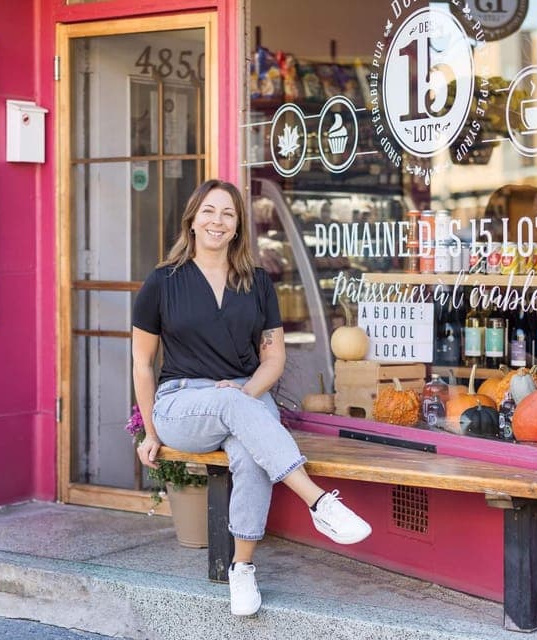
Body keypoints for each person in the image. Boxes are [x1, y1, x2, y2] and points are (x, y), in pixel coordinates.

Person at [131, 179, 372, 618]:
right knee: (234, 408)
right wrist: (150, 431)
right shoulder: (162, 282)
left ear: (239, 226)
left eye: (228, 213)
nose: (217, 221)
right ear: (192, 219)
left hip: (247, 393)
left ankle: (241, 568)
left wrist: (244, 393)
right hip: (182, 403)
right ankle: (319, 503)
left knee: (249, 453)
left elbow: (274, 358)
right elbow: (142, 364)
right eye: (209, 211)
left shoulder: (258, 282)